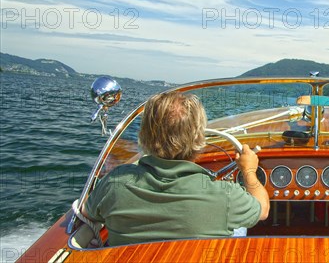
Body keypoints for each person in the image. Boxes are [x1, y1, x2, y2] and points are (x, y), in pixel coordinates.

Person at [82, 91, 269, 246]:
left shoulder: (115, 183)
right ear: (199, 137)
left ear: (144, 134)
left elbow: (87, 213)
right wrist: (249, 171)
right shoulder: (226, 196)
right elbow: (262, 210)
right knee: (238, 226)